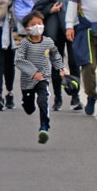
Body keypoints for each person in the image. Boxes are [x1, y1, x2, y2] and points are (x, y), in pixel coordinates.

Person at [34, 0, 79, 110]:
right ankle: (58, 98)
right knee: (56, 63)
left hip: (74, 26)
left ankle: (75, 96)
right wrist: (50, 11)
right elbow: (38, 7)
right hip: (55, 29)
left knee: (74, 62)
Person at [15, 11, 65, 144]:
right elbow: (18, 60)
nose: (38, 26)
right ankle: (25, 102)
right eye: (33, 24)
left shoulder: (48, 42)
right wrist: (33, 72)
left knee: (43, 101)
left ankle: (44, 127)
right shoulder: (25, 44)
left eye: (40, 23)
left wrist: (61, 69)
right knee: (29, 108)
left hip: (43, 78)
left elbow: (55, 56)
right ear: (27, 29)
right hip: (28, 81)